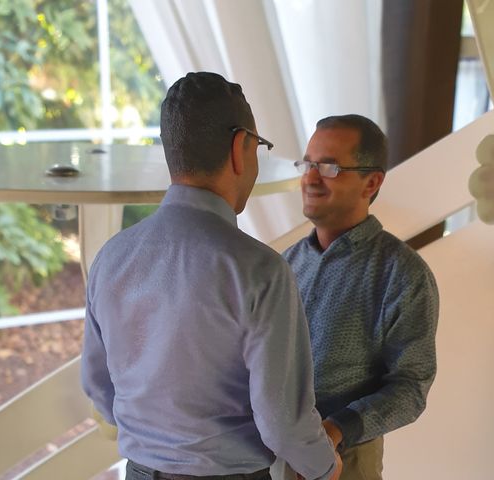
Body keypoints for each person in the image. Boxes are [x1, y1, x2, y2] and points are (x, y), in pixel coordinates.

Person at [80, 72, 342, 480]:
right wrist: (325, 467)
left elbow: (99, 389)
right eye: (258, 147)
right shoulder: (259, 272)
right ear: (241, 148)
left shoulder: (111, 258)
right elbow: (281, 421)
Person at [281, 114, 439, 480]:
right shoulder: (282, 265)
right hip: (266, 457)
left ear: (372, 181)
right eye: (308, 164)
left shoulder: (403, 274)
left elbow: (411, 388)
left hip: (344, 461)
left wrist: (336, 431)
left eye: (330, 167)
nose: (310, 177)